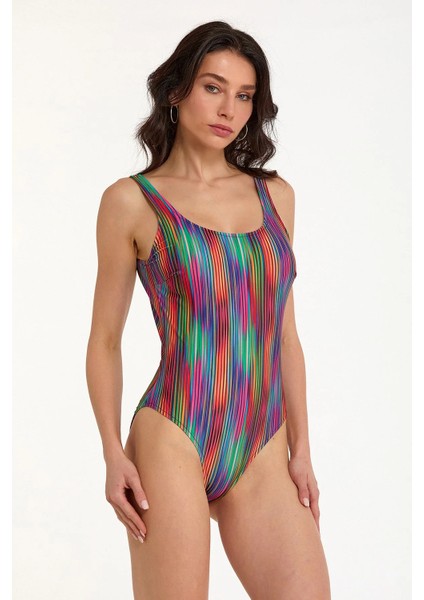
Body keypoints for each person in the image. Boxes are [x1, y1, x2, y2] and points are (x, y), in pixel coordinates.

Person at [86, 20, 332, 600]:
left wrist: (302, 449)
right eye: (213, 87)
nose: (228, 109)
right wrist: (112, 454)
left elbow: (285, 335)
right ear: (177, 91)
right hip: (174, 432)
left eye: (244, 96)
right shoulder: (131, 201)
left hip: (263, 442)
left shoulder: (275, 196)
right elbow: (105, 340)